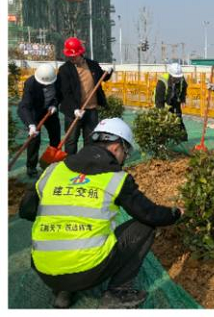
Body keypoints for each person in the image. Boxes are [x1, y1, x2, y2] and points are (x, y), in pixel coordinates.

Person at [19, 118, 182, 308]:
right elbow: (150, 214)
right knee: (144, 226)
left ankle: (63, 292)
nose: (124, 159)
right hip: (87, 272)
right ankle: (117, 293)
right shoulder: (116, 178)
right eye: (125, 153)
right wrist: (176, 213)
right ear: (116, 147)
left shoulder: (54, 170)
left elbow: (26, 210)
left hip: (44, 271)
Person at [57, 37, 113, 157]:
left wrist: (109, 72)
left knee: (90, 139)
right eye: (70, 56)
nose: (72, 58)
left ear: (80, 52)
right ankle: (70, 162)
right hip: (74, 111)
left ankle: (86, 160)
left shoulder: (92, 65)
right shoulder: (64, 70)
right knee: (71, 140)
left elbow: (102, 78)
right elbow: (66, 92)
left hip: (91, 109)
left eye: (74, 55)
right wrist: (75, 109)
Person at [17, 63, 62, 178]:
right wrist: (31, 125)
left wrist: (54, 105)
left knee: (55, 135)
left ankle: (52, 162)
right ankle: (31, 167)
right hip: (34, 112)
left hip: (49, 111)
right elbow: (25, 106)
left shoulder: (57, 80)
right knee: (34, 138)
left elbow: (59, 95)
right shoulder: (30, 83)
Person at [154, 62, 188, 142]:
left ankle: (183, 139)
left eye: (178, 78)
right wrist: (162, 113)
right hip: (163, 102)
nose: (177, 80)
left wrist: (183, 99)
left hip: (175, 100)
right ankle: (162, 141)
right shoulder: (162, 82)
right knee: (164, 122)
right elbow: (159, 101)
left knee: (178, 119)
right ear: (171, 75)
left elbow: (184, 88)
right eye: (175, 78)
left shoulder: (181, 79)